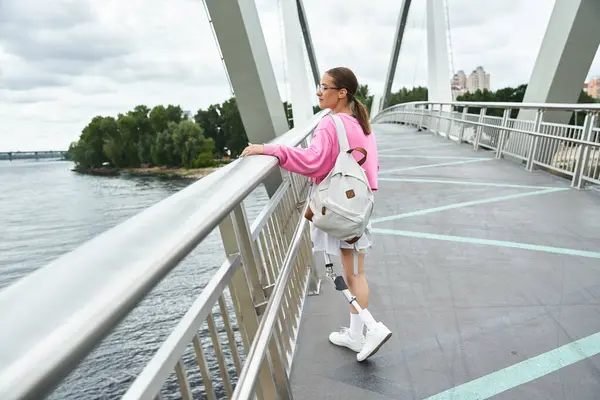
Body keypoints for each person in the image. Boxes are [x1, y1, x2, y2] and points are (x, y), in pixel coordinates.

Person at [241, 67, 392, 362]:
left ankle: (368, 330)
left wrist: (270, 150)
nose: (319, 92)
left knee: (350, 274)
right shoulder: (361, 122)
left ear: (341, 92)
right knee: (356, 273)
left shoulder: (329, 124)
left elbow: (313, 161)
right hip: (361, 204)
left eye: (324, 87)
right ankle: (355, 334)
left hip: (341, 207)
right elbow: (371, 167)